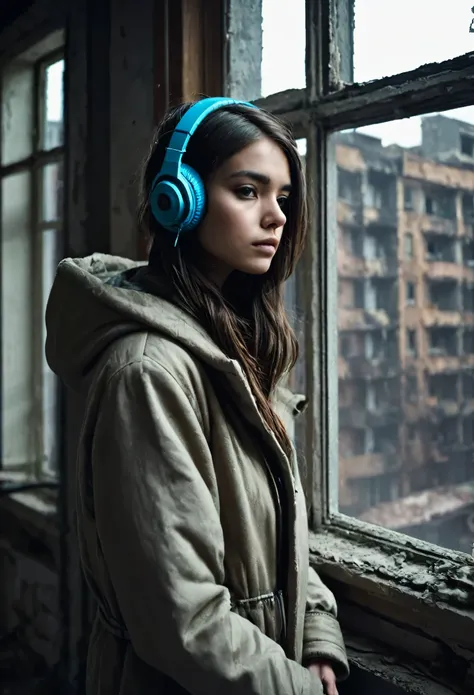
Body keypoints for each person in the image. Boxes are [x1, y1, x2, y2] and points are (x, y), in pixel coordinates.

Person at [46, 97, 349, 695]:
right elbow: (180, 620)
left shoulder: (236, 349)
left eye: (283, 198)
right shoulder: (148, 373)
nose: (276, 217)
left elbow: (279, 531)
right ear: (177, 198)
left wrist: (316, 637)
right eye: (247, 191)